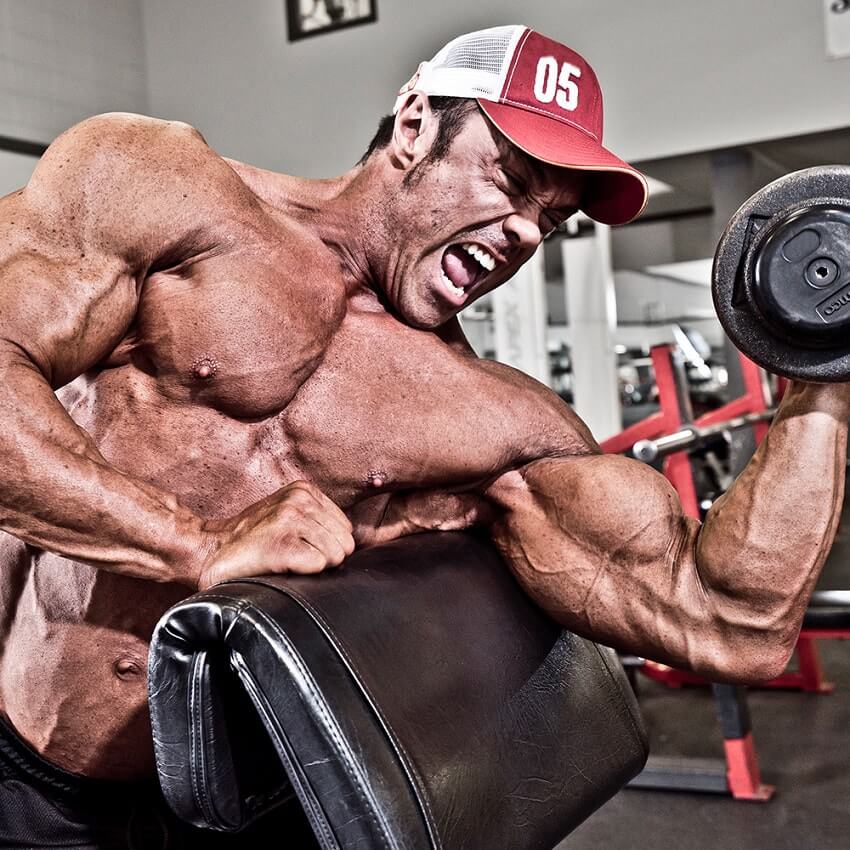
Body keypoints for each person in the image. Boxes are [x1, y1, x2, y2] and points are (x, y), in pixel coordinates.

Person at [0, 23, 846, 848]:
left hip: (271, 803)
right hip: (47, 786)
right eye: (512, 181)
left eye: (550, 220)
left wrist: (820, 363)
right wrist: (195, 543)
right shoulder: (158, 188)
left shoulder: (494, 419)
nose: (524, 231)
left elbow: (735, 618)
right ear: (414, 124)